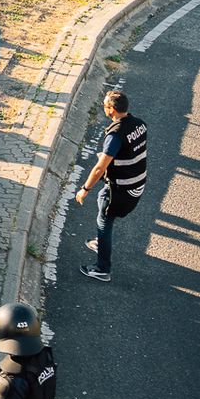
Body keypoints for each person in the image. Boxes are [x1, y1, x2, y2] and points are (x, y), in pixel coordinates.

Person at [76, 88, 148, 283]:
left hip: (120, 191)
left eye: (105, 106)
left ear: (112, 110)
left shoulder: (115, 135)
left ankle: (102, 268)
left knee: (104, 222)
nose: (103, 108)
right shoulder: (140, 125)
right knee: (106, 218)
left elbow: (100, 169)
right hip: (136, 186)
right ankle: (102, 243)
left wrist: (85, 189)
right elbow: (130, 153)